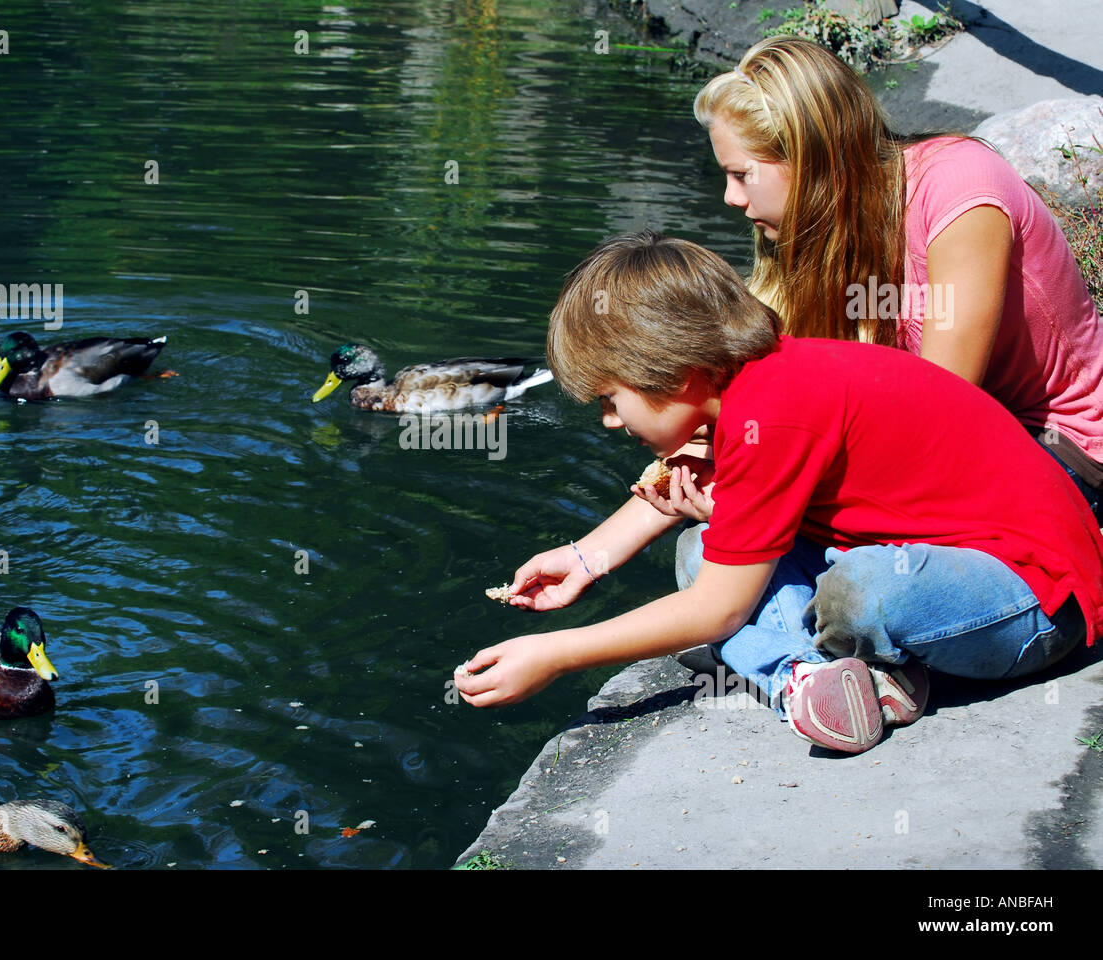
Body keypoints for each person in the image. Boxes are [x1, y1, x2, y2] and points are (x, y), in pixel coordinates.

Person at [453, 231, 1103, 754]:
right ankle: (830, 682)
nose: (611, 421)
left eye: (610, 398)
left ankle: (804, 671)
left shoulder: (776, 413)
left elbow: (717, 613)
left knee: (861, 590)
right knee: (703, 549)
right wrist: (586, 559)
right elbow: (698, 479)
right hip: (936, 563)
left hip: (1035, 599)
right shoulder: (757, 383)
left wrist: (555, 654)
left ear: (672, 371)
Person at [691, 36, 1103, 521]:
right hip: (969, 446)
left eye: (742, 175)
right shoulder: (817, 233)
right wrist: (595, 554)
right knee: (722, 532)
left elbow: (940, 412)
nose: (730, 198)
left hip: (1065, 445)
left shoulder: (957, 187)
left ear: (809, 158)